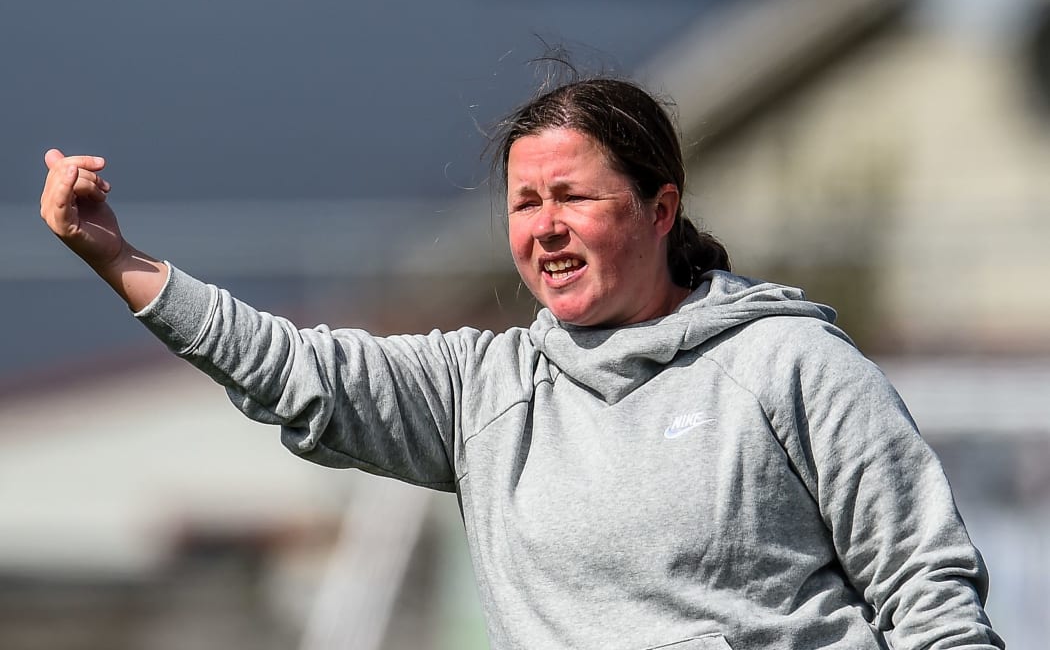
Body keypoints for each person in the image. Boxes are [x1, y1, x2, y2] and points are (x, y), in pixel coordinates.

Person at [39, 76, 1004, 650]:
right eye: (522, 202)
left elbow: (929, 589)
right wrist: (121, 261)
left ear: (659, 210)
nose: (544, 228)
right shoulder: (484, 391)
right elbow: (298, 371)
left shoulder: (789, 362)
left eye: (572, 197)